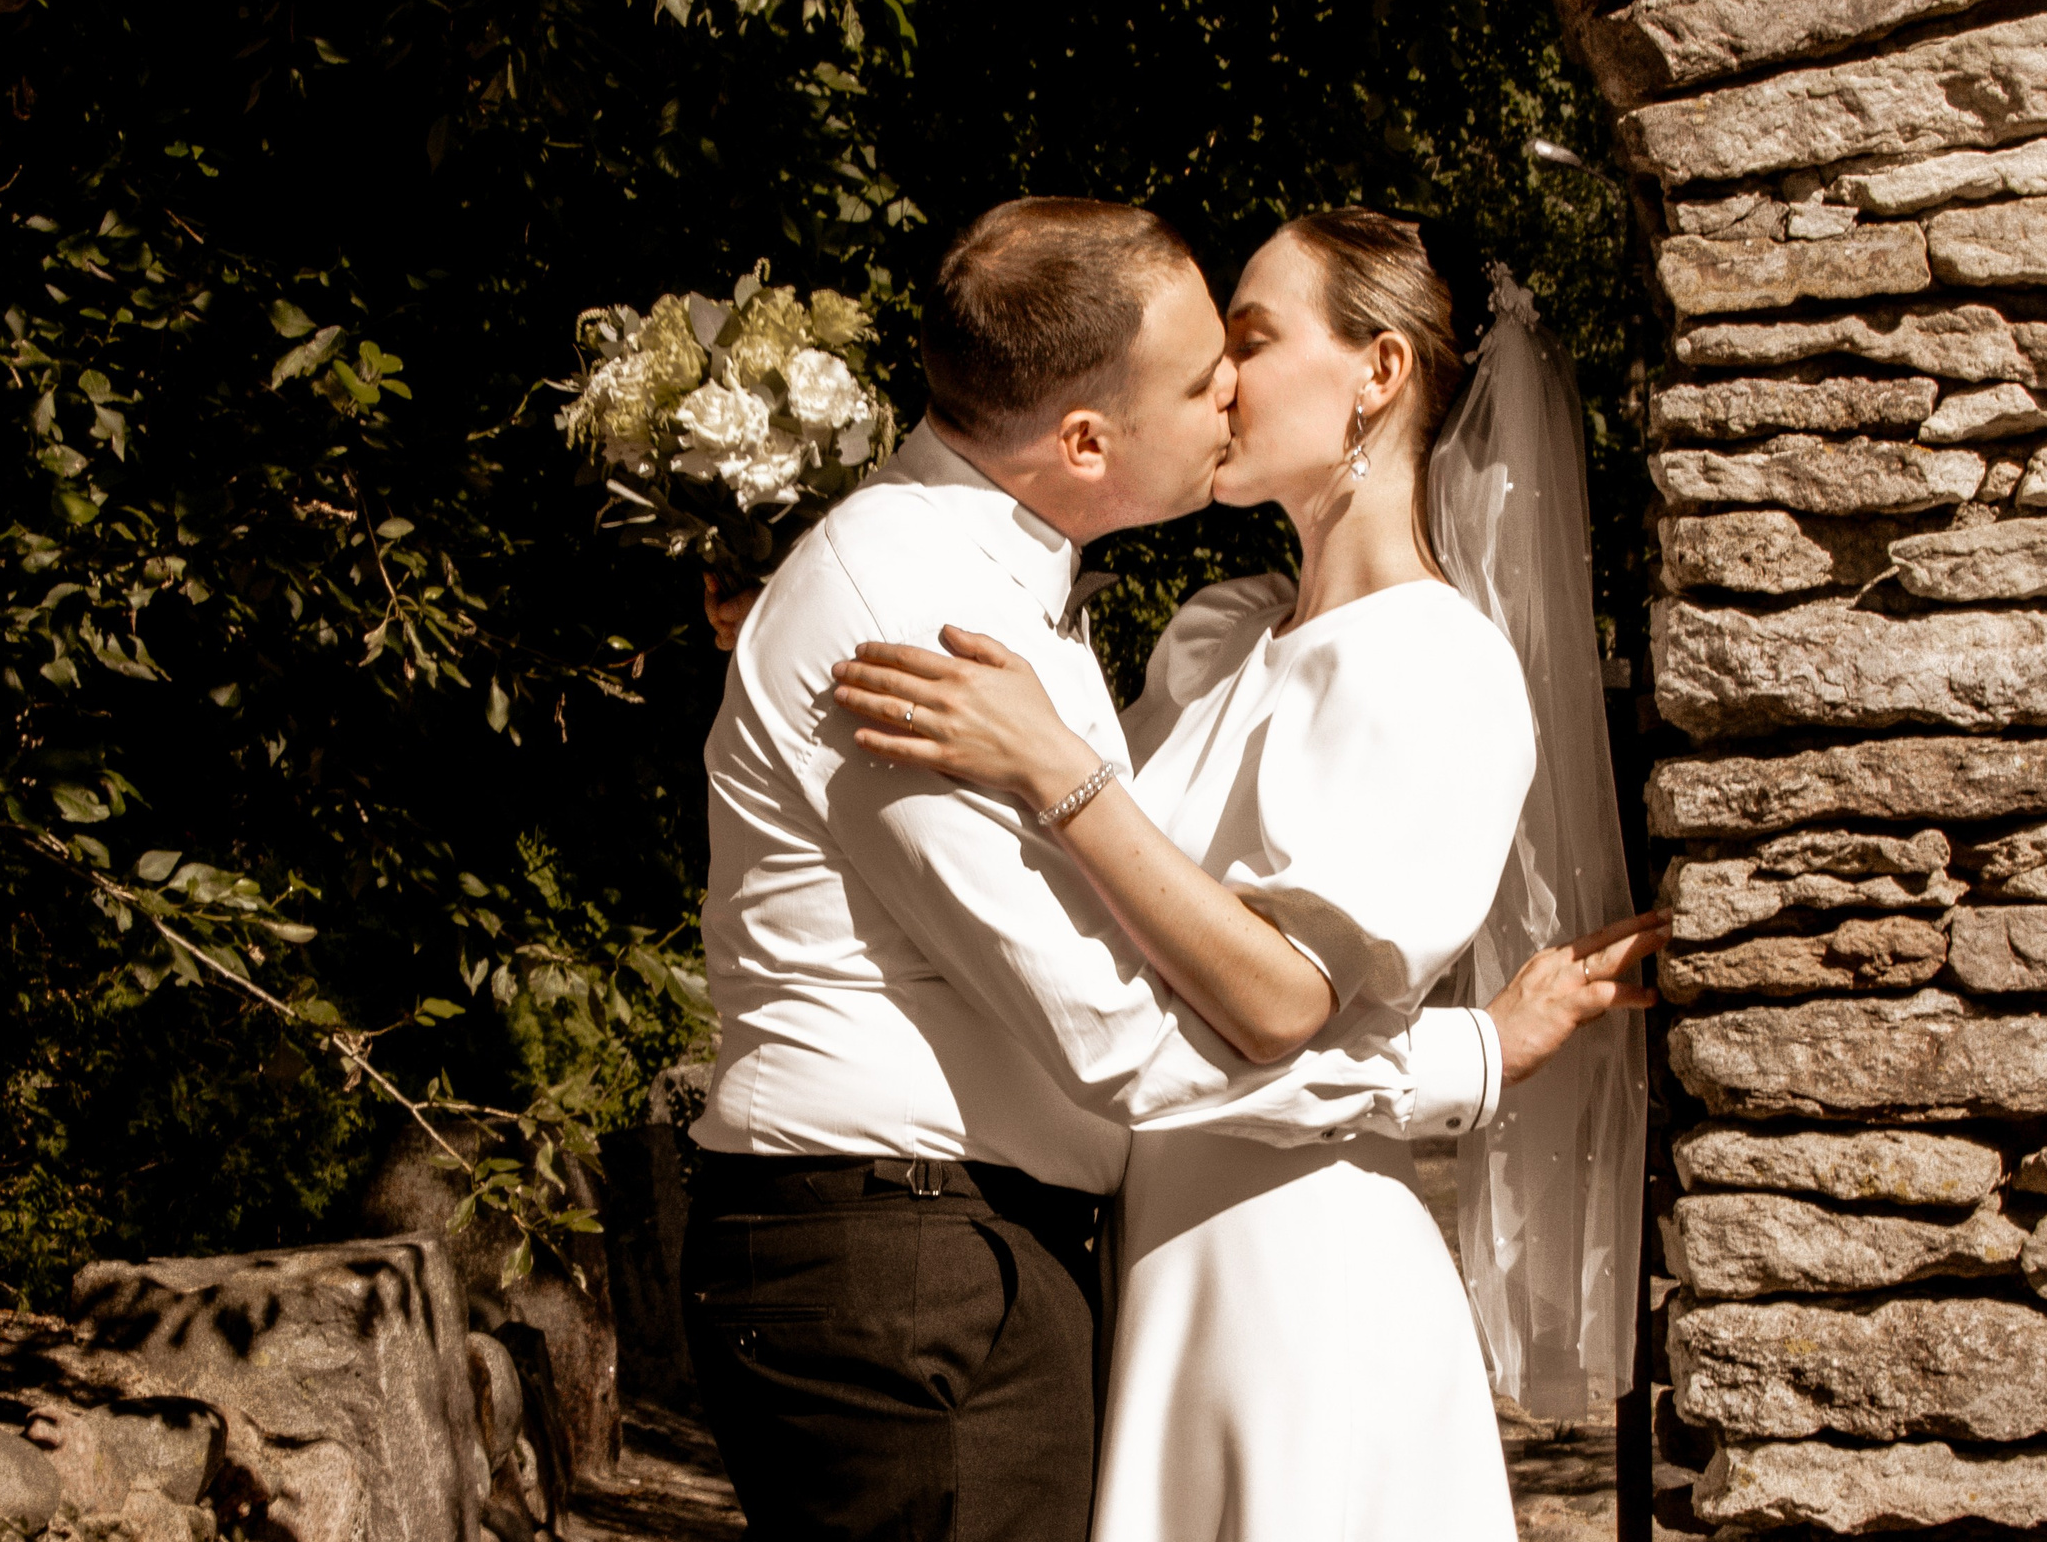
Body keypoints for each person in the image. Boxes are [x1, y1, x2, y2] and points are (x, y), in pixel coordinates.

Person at [683, 198, 1658, 1542]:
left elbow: (1256, 990)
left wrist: (1061, 777)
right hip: (1097, 1248)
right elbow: (1114, 1008)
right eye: (1214, 359)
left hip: (1289, 1256)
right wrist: (1464, 1061)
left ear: (1379, 373)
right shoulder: (1206, 639)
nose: (1228, 387)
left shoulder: (1436, 665)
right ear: (1081, 434)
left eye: (1247, 342)